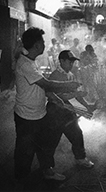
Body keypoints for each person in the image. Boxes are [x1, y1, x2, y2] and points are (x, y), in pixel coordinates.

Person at [13, 27, 81, 185]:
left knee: (44, 146)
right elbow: (47, 84)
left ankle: (47, 171)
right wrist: (69, 85)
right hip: (26, 117)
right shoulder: (25, 64)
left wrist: (55, 99)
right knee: (25, 151)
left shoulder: (32, 62)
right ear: (37, 45)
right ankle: (21, 181)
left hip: (39, 114)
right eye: (42, 42)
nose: (44, 44)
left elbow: (41, 87)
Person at [46, 50, 95, 169]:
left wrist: (87, 105)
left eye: (73, 62)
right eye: (69, 62)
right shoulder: (55, 76)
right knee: (52, 140)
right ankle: (47, 167)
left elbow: (75, 95)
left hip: (67, 111)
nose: (71, 64)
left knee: (77, 134)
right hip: (55, 112)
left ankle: (80, 158)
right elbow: (58, 97)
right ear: (61, 61)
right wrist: (76, 94)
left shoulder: (71, 75)